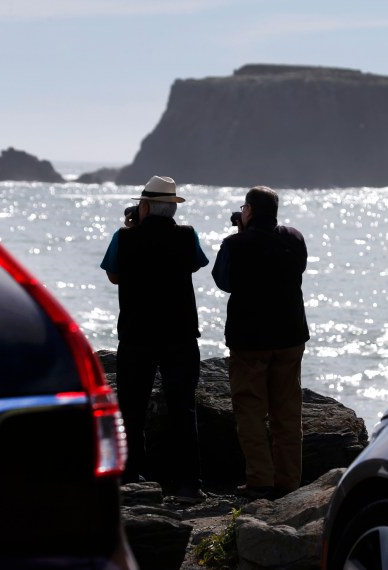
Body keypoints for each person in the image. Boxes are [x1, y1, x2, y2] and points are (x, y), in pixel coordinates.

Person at [100, 175, 209, 504]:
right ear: (172, 208)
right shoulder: (187, 236)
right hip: (180, 335)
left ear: (144, 206)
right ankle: (188, 484)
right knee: (183, 409)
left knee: (132, 410)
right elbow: (196, 265)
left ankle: (133, 478)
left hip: (137, 335)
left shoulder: (125, 237)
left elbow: (114, 275)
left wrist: (132, 229)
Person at [212, 185, 309, 501]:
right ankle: (289, 482)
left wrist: (240, 234)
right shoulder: (294, 238)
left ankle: (260, 481)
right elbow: (298, 269)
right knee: (287, 411)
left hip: (250, 338)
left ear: (249, 211)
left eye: (244, 208)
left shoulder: (234, 244)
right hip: (291, 335)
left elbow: (223, 281)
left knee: (251, 410)